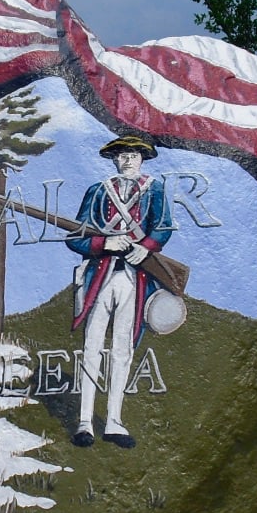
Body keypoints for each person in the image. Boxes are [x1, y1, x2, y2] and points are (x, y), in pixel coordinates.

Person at [67, 134, 172, 448]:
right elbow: (76, 236)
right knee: (92, 347)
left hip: (135, 278)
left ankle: (113, 421)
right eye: (123, 155)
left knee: (123, 350)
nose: (128, 160)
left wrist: (146, 248)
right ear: (114, 159)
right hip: (100, 275)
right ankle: (85, 421)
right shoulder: (98, 191)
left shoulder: (154, 189)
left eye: (134, 155)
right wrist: (104, 243)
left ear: (142, 159)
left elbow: (163, 226)